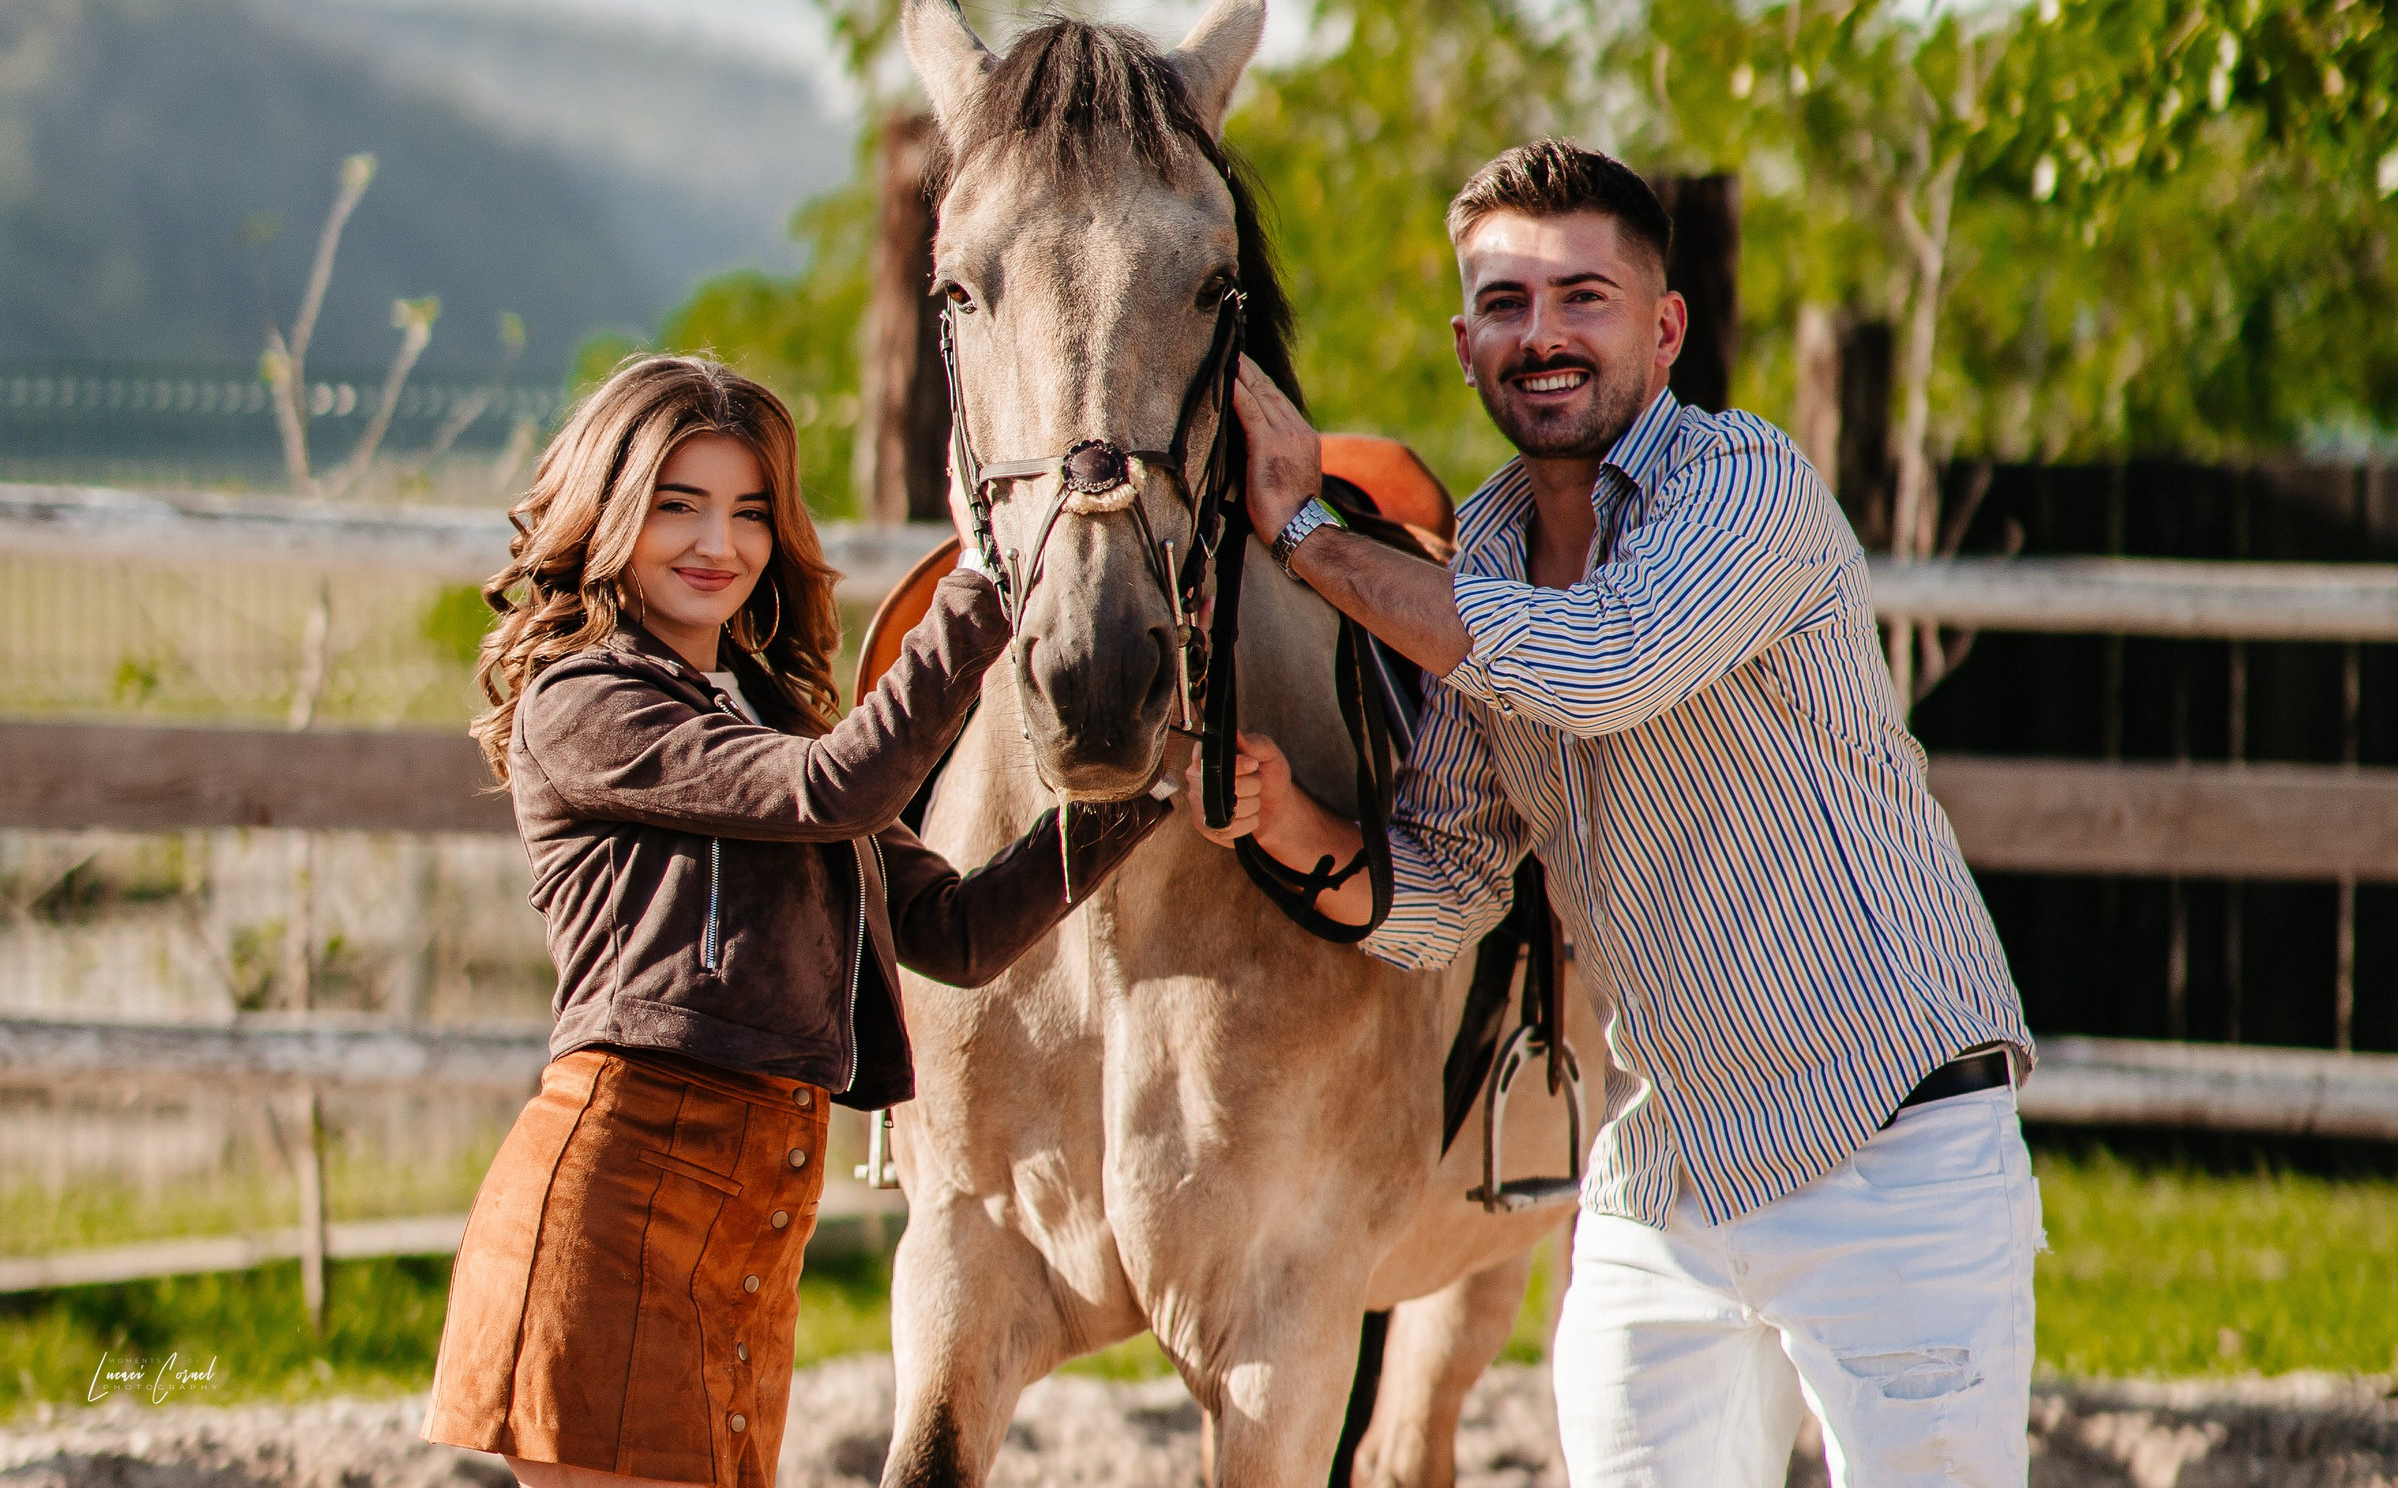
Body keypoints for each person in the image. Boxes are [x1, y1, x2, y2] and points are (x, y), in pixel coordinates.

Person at [1187, 141, 2039, 1487]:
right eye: (1508, 305)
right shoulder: (1480, 558)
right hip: (1665, 1163)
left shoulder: (1745, 483)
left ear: (1664, 325)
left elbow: (1599, 660)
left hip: (1890, 1143)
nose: (1544, 335)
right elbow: (1449, 884)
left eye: (1583, 296)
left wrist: (1307, 538)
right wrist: (1290, 822)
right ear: (1465, 343)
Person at [424, 356, 1165, 1488]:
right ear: (607, 512)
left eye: (749, 511)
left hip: (753, 1221)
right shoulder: (586, 702)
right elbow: (837, 788)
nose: (717, 542)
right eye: (678, 505)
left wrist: (1137, 795)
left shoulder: (765, 713)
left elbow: (958, 933)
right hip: (625, 1202)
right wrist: (980, 589)